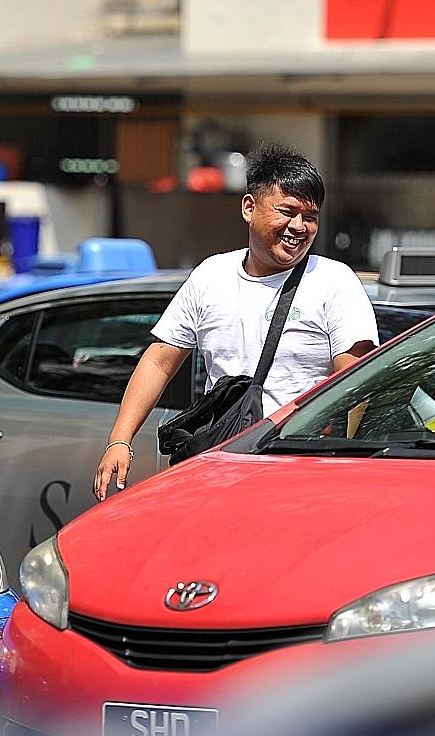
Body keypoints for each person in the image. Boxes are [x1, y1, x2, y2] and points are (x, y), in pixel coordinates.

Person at [93, 143, 379, 500]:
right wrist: (120, 440)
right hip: (218, 471)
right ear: (249, 207)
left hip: (300, 473)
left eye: (311, 216)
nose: (299, 227)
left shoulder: (334, 282)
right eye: (287, 211)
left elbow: (355, 382)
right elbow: (159, 359)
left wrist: (345, 466)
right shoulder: (212, 275)